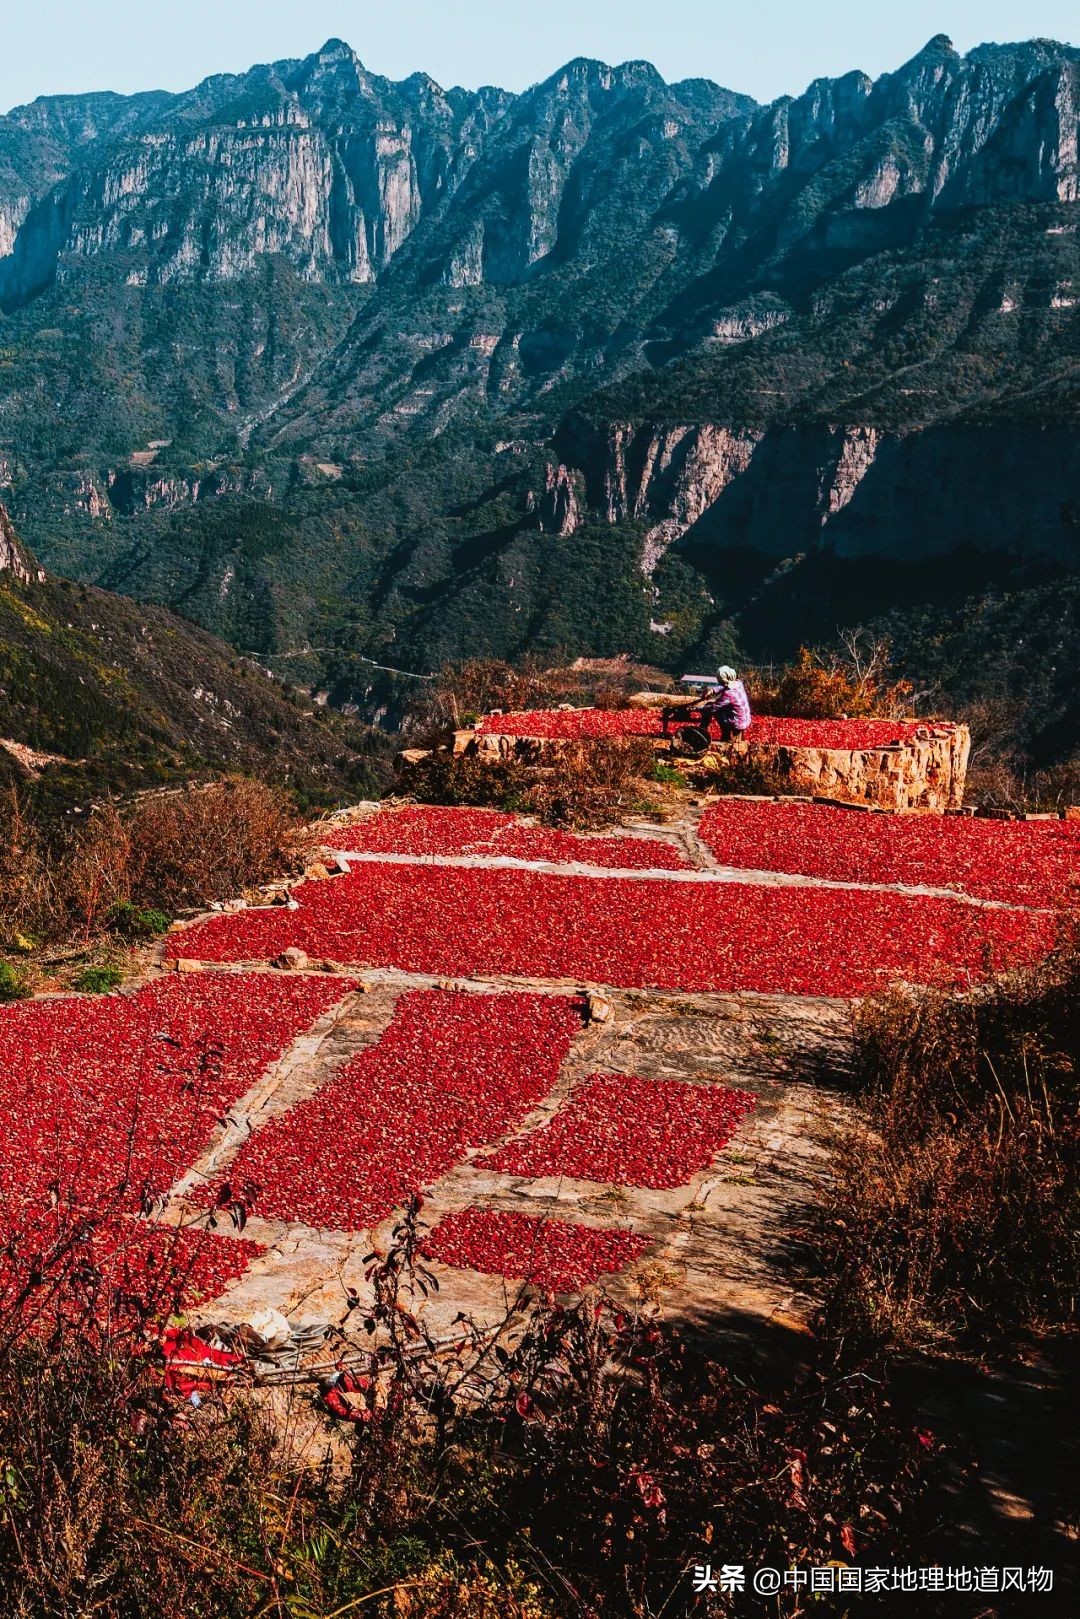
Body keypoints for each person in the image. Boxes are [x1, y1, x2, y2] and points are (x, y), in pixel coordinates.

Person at [701, 665, 751, 741]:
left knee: (715, 711)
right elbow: (724, 686)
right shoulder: (738, 683)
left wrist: (697, 708)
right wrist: (712, 691)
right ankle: (725, 735)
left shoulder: (728, 694)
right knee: (721, 709)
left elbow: (714, 707)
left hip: (737, 723)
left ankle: (722, 735)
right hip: (745, 719)